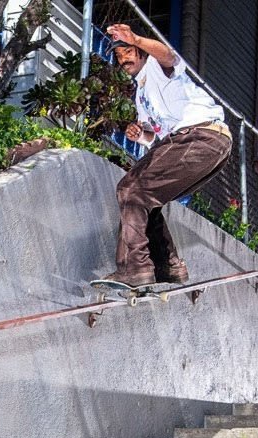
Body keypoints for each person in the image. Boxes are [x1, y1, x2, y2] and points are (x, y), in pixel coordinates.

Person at [99, 23, 232, 287]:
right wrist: (142, 135)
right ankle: (168, 267)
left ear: (141, 52)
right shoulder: (141, 96)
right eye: (118, 55)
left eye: (128, 51)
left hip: (199, 135)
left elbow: (170, 56)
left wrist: (135, 37)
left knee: (130, 188)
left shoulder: (157, 67)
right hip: (205, 144)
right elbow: (157, 137)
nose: (123, 58)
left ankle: (134, 268)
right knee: (148, 198)